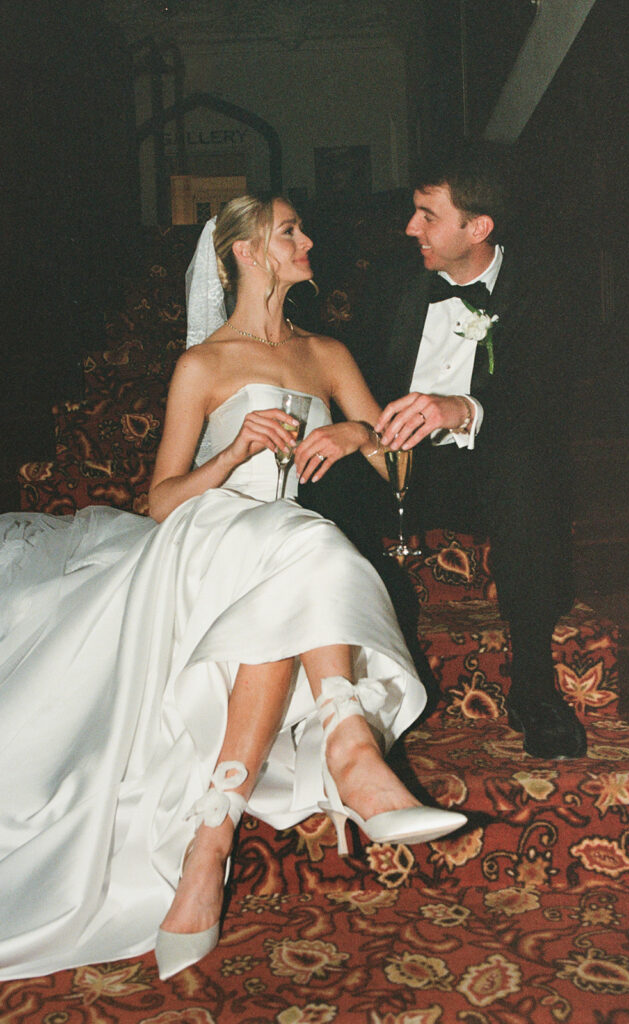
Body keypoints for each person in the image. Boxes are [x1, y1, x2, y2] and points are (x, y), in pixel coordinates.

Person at [0, 194, 466, 983]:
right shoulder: (203, 364)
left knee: (298, 551)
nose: (307, 239)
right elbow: (157, 503)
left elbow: (397, 467)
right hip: (203, 539)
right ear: (247, 251)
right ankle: (348, 747)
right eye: (290, 231)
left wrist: (358, 434)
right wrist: (228, 458)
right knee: (306, 547)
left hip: (280, 550)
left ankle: (209, 839)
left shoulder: (327, 353)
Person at [301, 142, 586, 761]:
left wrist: (462, 408)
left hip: (492, 469)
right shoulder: (393, 282)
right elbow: (349, 375)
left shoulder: (545, 290)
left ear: (477, 227)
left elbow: (544, 404)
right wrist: (361, 430)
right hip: (393, 458)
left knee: (526, 470)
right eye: (414, 212)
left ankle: (535, 685)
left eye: (428, 215)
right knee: (319, 476)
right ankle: (345, 687)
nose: (411, 227)